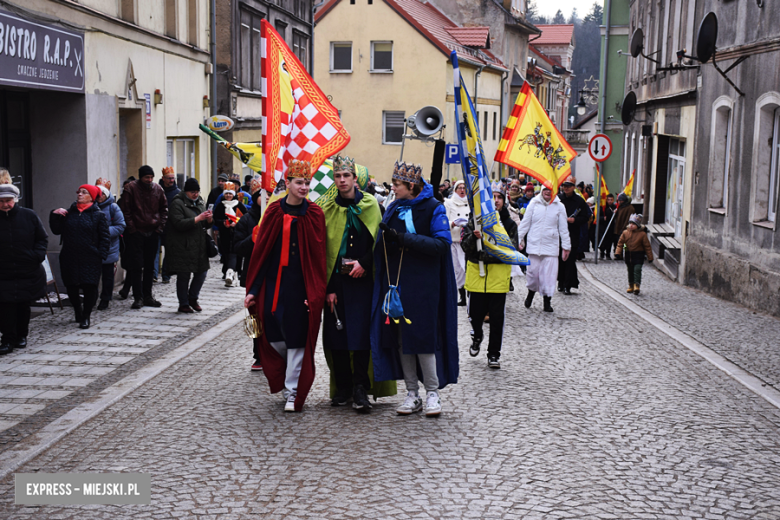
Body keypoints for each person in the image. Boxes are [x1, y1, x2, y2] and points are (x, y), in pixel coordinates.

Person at [370, 161, 459, 417]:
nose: (393, 189)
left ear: (410, 185)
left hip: (424, 285)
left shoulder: (434, 208)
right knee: (401, 340)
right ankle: (412, 394)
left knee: (422, 339)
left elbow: (441, 245)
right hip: (397, 284)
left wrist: (404, 239)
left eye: (397, 185)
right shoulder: (394, 207)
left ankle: (432, 393)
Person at [244, 160, 327, 412]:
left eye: (306, 183)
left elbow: (318, 255)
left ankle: (293, 391)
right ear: (287, 184)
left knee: (297, 339)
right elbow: (262, 254)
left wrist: (315, 292)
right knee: (274, 337)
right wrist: (253, 290)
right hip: (273, 286)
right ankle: (283, 378)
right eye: (299, 182)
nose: (304, 187)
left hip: (301, 287)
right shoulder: (272, 212)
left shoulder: (314, 214)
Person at [321, 155, 395, 413]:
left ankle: (360, 388)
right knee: (337, 335)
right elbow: (326, 251)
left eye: (346, 176)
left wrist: (364, 262)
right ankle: (343, 387)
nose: (342, 181)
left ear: (355, 178)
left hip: (363, 281)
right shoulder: (328, 208)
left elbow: (380, 242)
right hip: (337, 282)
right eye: (338, 177)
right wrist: (328, 288)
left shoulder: (372, 205)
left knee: (362, 335)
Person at [461, 190, 517, 368]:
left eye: (499, 198)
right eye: (492, 198)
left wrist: (484, 255)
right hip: (477, 278)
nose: (495, 201)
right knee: (475, 316)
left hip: (498, 280)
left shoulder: (509, 224)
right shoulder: (474, 221)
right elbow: (465, 246)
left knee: (496, 318)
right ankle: (477, 336)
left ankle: (494, 354)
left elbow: (510, 250)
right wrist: (473, 237)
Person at [50, 184, 110, 329]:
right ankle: (78, 310)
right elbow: (56, 230)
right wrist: (54, 215)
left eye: (84, 192)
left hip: (90, 257)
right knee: (71, 285)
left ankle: (86, 316)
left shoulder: (98, 215)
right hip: (69, 256)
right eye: (79, 192)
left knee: (90, 287)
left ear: (92, 197)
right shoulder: (68, 213)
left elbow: (105, 237)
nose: (79, 194)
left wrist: (100, 254)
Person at [0, 182, 48, 354]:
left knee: (22, 305)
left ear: (15, 199)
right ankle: (7, 339)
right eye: (1, 201)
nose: (5, 204)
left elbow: (42, 239)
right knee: (5, 307)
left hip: (26, 270)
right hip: (3, 272)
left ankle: (21, 335)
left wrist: (37, 256)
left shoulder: (29, 216)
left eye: (8, 200)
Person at [118, 166, 168, 309]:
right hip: (137, 232)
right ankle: (138, 297)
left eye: (151, 177)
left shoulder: (158, 189)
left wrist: (159, 228)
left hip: (152, 232)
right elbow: (125, 210)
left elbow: (164, 209)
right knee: (136, 266)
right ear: (141, 177)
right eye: (147, 177)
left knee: (149, 266)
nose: (149, 180)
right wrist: (133, 229)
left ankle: (148, 296)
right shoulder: (131, 189)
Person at [516, 186, 571, 312]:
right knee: (532, 275)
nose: (548, 192)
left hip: (551, 247)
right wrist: (518, 240)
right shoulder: (534, 204)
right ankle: (530, 294)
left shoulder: (559, 206)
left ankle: (547, 302)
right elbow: (525, 224)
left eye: (551, 190)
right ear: (541, 190)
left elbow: (563, 228)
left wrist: (566, 247)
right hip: (534, 246)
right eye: (546, 189)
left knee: (549, 277)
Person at [167, 178, 213, 313]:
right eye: (193, 192)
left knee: (202, 272)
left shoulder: (200, 202)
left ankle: (193, 298)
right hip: (183, 245)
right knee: (184, 275)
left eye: (197, 191)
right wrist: (197, 218)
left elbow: (205, 224)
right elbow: (178, 223)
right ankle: (183, 303)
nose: (195, 194)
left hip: (199, 245)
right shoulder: (177, 203)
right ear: (186, 191)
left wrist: (209, 219)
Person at [95, 179, 126, 311]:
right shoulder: (91, 206)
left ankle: (105, 298)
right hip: (93, 247)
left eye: (102, 194)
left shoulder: (113, 207)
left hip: (109, 247)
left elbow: (120, 226)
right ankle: (92, 298)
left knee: (107, 275)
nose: (99, 196)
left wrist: (104, 232)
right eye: (97, 193)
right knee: (93, 275)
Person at [557, 176, 590, 294]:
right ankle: (560, 282)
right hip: (559, 234)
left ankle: (568, 285)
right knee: (560, 260)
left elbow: (586, 217)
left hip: (573, 234)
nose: (566, 188)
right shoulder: (558, 199)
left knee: (570, 260)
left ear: (573, 187)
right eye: (564, 186)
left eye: (568, 186)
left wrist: (574, 221)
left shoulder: (580, 201)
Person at [213, 182, 247, 287]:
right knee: (226, 253)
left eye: (230, 194)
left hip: (237, 233)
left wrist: (237, 222)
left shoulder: (239, 204)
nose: (228, 196)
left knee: (234, 253)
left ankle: (231, 272)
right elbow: (215, 219)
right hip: (225, 233)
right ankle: (229, 271)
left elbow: (245, 218)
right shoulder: (220, 205)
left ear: (234, 194)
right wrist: (223, 223)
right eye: (226, 194)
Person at [444, 180, 470, 306]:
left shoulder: (471, 202)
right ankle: (462, 295)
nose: (462, 190)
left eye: (464, 187)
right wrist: (453, 223)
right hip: (454, 239)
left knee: (467, 268)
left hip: (467, 240)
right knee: (457, 269)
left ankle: (470, 293)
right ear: (455, 190)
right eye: (459, 187)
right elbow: (444, 221)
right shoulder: (449, 203)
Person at [616, 213, 653, 295]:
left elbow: (647, 246)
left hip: (638, 255)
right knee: (630, 270)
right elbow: (620, 243)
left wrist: (650, 257)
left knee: (637, 269)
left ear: (638, 225)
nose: (631, 225)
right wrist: (618, 252)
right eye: (630, 223)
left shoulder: (642, 234)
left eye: (633, 224)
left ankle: (637, 285)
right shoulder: (625, 233)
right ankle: (631, 285)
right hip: (629, 255)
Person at [158, 166, 181, 283]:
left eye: (173, 178)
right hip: (157, 225)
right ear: (163, 178)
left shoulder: (178, 193)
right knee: (155, 251)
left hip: (171, 227)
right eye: (169, 178)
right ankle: (153, 274)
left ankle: (166, 274)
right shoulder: (157, 190)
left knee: (170, 252)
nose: (171, 180)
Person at [613, 193, 634, 260]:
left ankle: (627, 255)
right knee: (618, 242)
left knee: (625, 243)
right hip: (618, 227)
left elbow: (628, 219)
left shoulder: (630, 208)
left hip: (624, 228)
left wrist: (624, 228)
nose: (619, 202)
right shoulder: (620, 207)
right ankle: (618, 254)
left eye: (620, 200)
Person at [599, 194, 616, 259]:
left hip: (611, 227)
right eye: (608, 200)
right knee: (602, 240)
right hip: (603, 227)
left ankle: (608, 254)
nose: (610, 201)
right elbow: (597, 217)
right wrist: (603, 218)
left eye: (611, 200)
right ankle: (602, 253)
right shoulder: (602, 207)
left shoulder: (614, 207)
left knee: (609, 241)